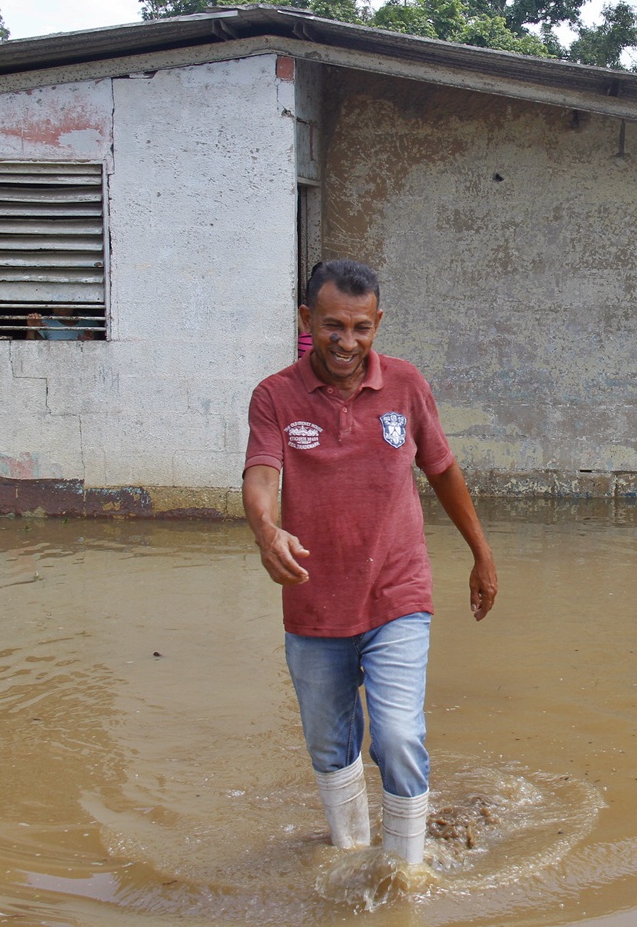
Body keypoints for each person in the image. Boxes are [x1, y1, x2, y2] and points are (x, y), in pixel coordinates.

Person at [242, 259, 497, 866]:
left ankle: (404, 878)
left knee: (400, 737)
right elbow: (260, 477)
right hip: (313, 603)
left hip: (396, 595)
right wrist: (266, 530)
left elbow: (442, 470)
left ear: (378, 323)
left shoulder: (406, 386)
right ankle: (350, 856)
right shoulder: (275, 396)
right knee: (331, 749)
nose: (347, 343)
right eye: (333, 326)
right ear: (307, 321)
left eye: (361, 328)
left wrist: (481, 554)